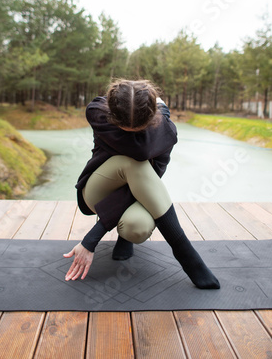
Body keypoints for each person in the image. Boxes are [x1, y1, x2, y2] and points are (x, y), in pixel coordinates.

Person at [63, 79, 220, 289]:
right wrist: (162, 114)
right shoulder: (97, 112)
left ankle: (124, 238)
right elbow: (140, 152)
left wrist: (94, 235)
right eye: (122, 130)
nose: (129, 136)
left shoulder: (166, 130)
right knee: (133, 162)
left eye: (137, 130)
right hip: (98, 189)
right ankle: (186, 254)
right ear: (110, 114)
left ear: (151, 120)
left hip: (137, 192)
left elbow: (152, 176)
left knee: (137, 228)